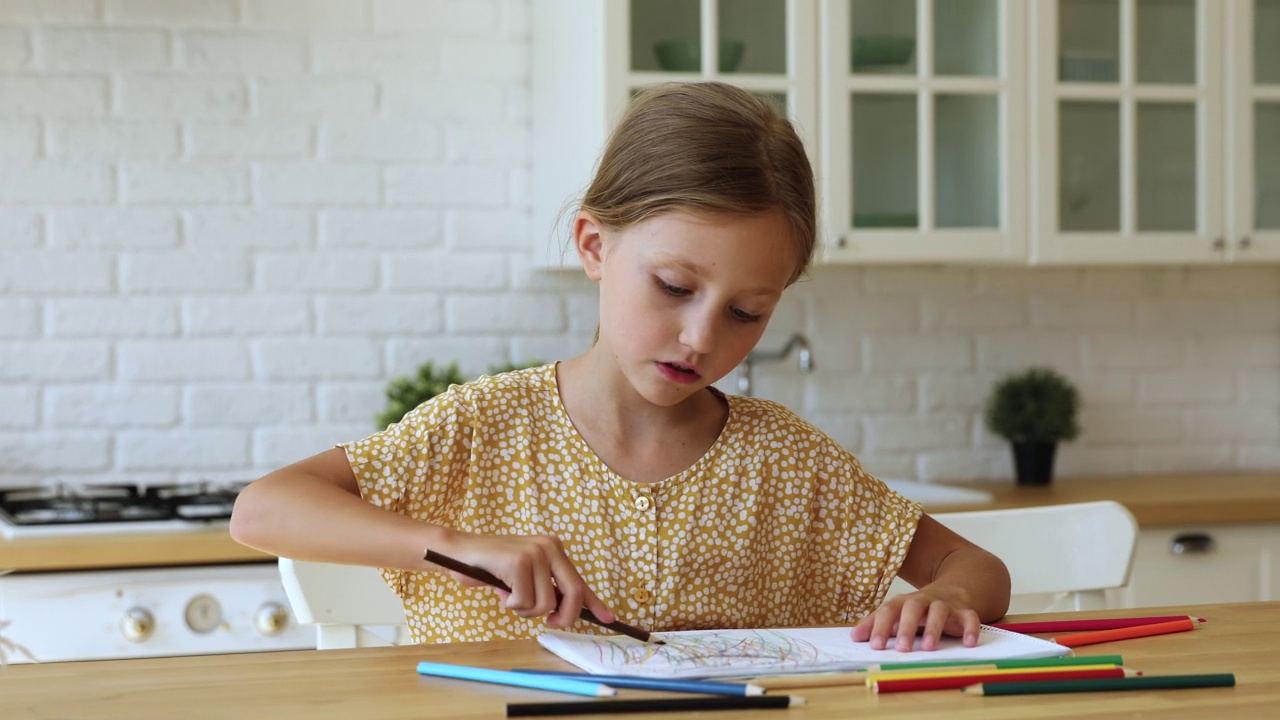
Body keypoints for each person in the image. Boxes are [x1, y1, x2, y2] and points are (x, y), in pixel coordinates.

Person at [230, 81, 1010, 652]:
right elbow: (263, 509)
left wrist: (945, 596)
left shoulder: (790, 464)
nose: (701, 339)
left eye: (747, 312)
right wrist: (455, 545)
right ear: (595, 247)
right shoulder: (481, 429)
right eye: (674, 287)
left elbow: (973, 566)